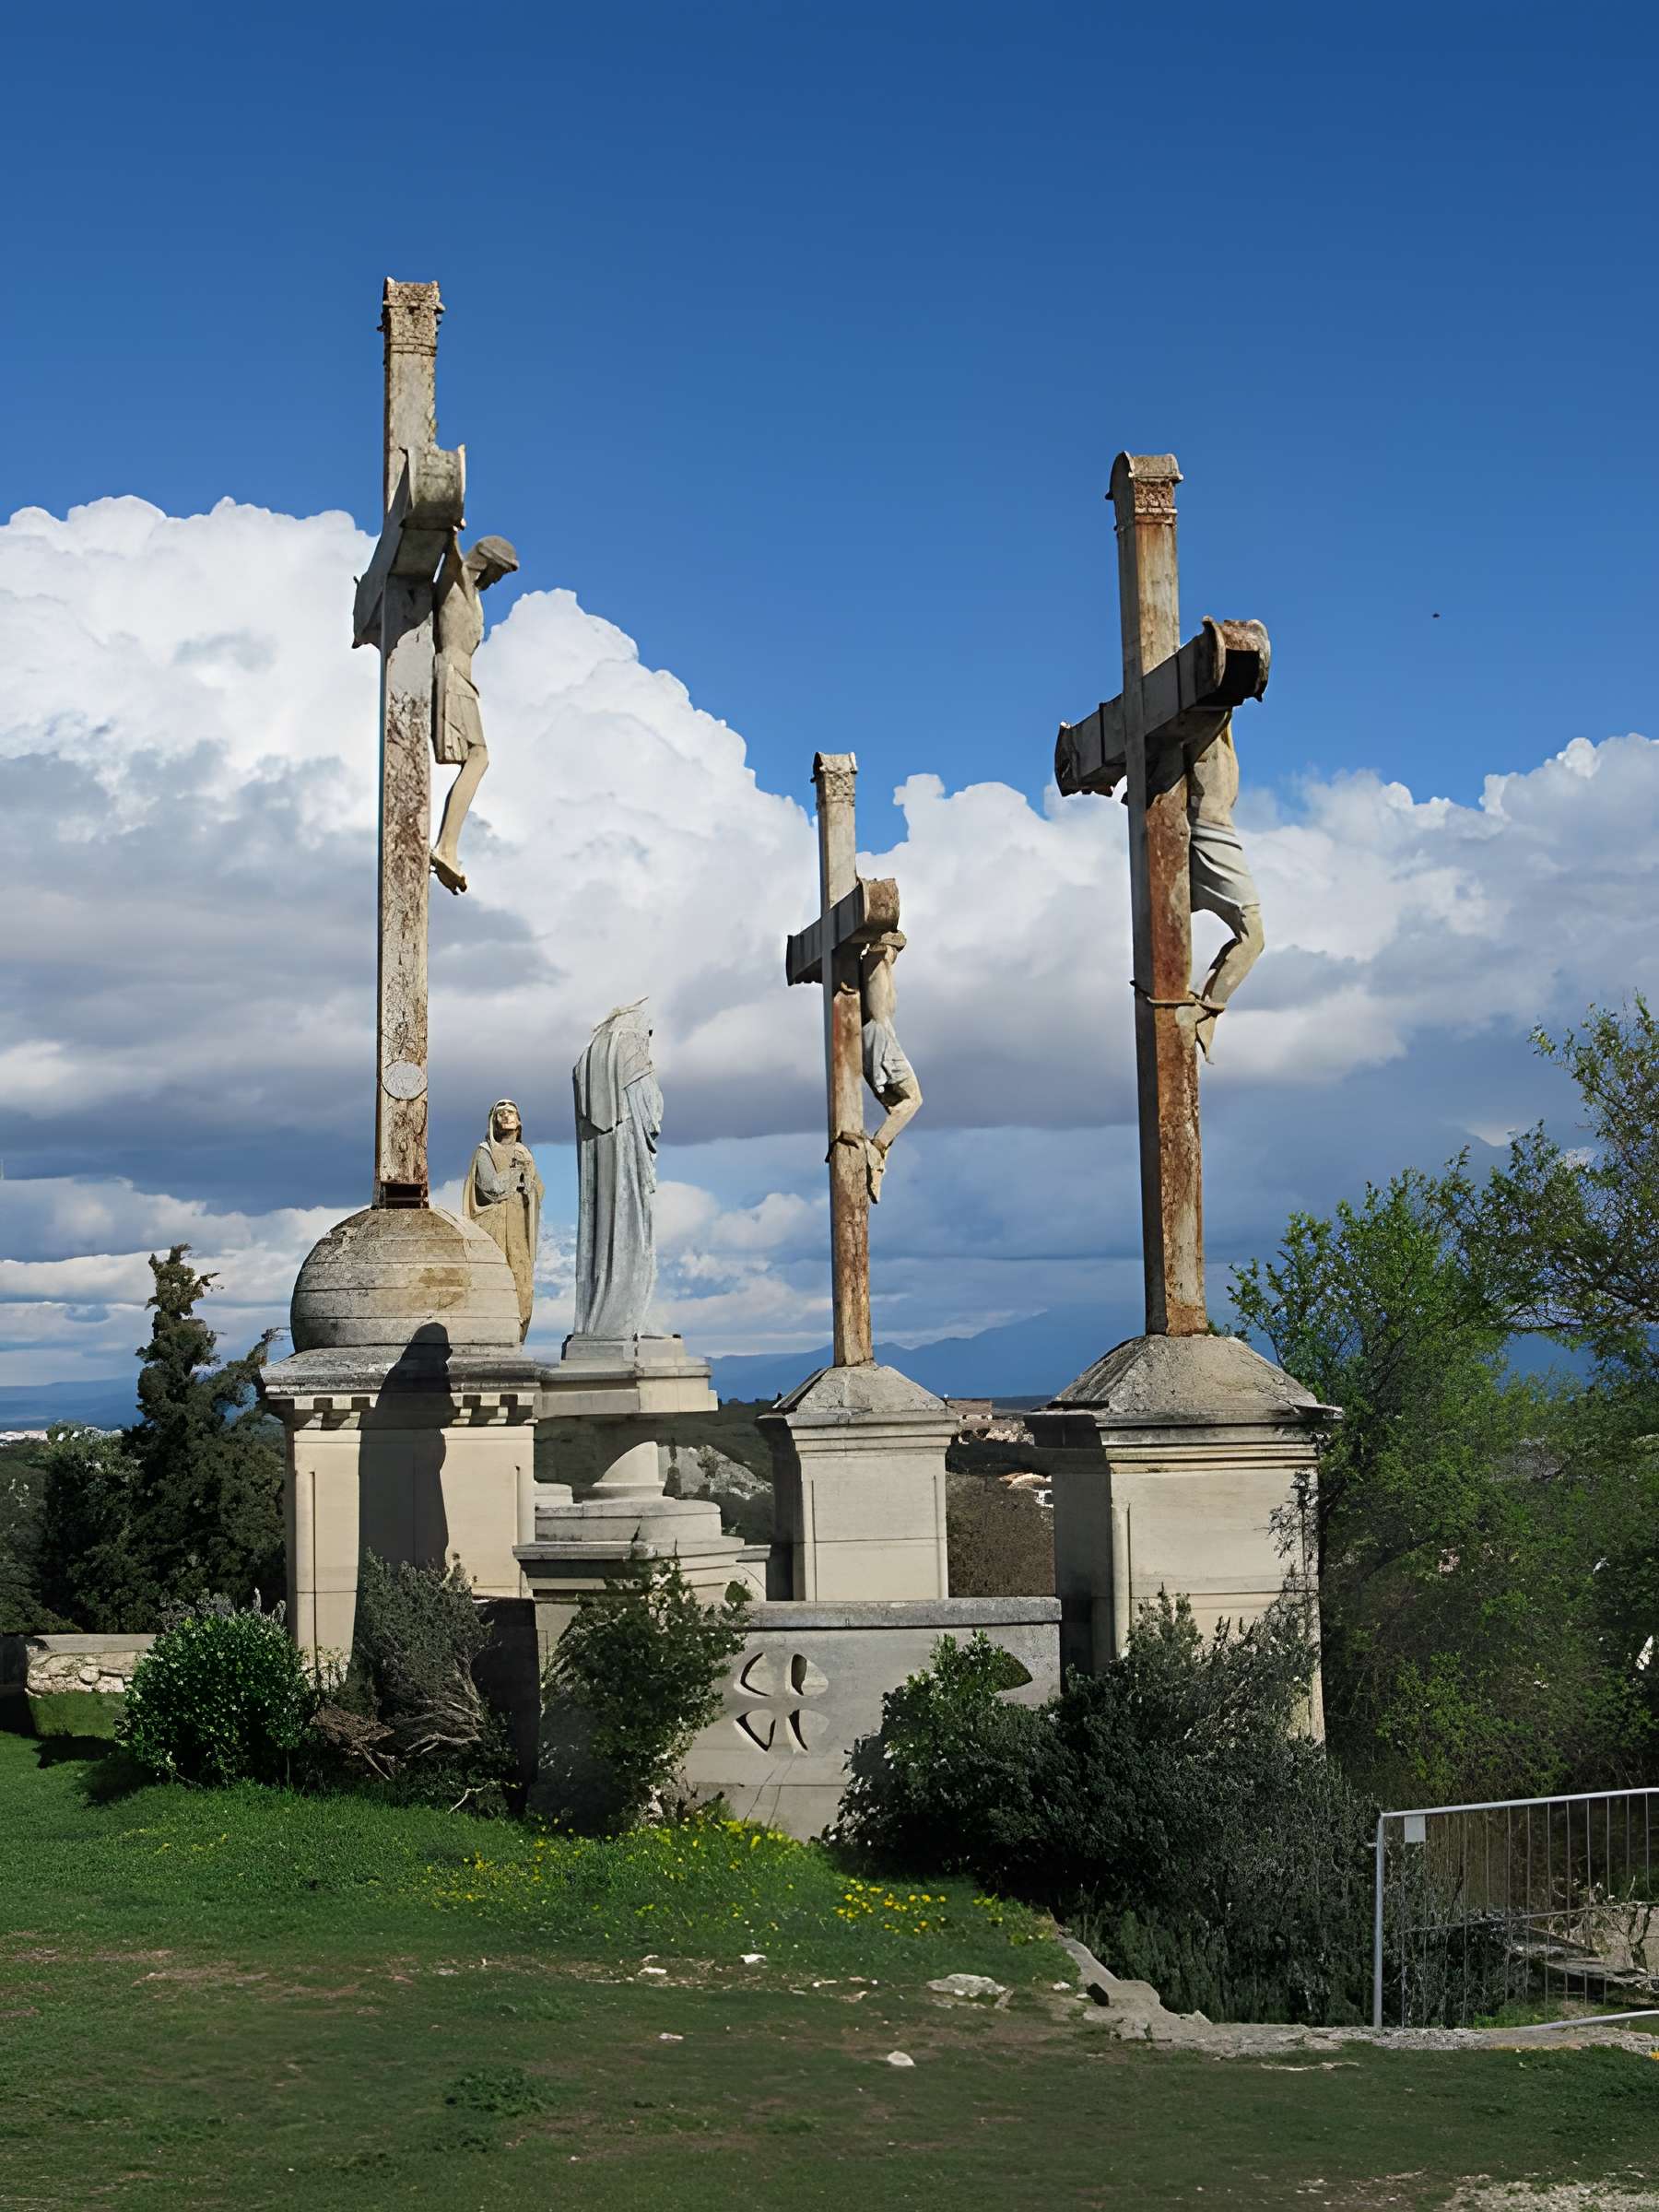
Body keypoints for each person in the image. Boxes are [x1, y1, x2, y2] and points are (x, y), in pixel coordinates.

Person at [430, 531, 519, 895]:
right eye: (499, 572)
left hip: (462, 678)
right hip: (453, 674)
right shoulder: (458, 580)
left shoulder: (472, 592)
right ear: (487, 562)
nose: (497, 581)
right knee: (479, 757)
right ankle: (446, 846)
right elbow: (452, 556)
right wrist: (449, 522)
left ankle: (447, 846)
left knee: (479, 758)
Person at [462, 1099, 542, 1340]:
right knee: (494, 1279)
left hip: (519, 1227)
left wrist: (529, 1184)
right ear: (493, 1121)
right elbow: (491, 1188)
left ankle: (517, 1336)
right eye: (501, 1113)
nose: (506, 1116)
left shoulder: (525, 1154)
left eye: (511, 1113)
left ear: (519, 1122)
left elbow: (537, 1189)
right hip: (494, 1226)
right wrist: (516, 1173)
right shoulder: (485, 1151)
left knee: (522, 1283)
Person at [857, 929, 923, 1201]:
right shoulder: (878, 958)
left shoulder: (879, 964)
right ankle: (877, 1147)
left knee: (898, 1109)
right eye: (896, 948)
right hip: (880, 1038)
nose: (896, 954)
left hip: (874, 1037)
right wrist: (882, 943)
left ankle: (877, 1164)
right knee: (913, 1100)